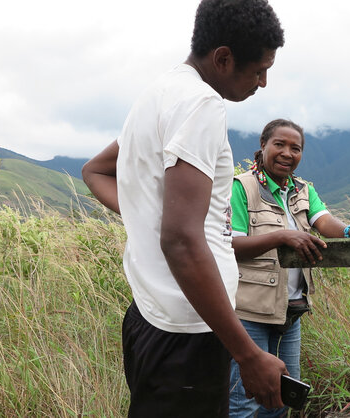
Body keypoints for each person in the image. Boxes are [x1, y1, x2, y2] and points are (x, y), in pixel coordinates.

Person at [81, 1, 288, 416]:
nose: (263, 82)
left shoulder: (158, 95)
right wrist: (249, 355)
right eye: (259, 69)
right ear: (223, 59)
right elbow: (180, 240)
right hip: (187, 334)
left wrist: (147, 214)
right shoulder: (200, 105)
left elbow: (95, 171)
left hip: (151, 317)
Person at [228, 119, 350, 417]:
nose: (287, 153)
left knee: (281, 397)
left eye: (296, 148)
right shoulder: (242, 188)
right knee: (244, 400)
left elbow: (324, 221)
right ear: (263, 145)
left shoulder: (303, 190)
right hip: (249, 312)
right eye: (279, 144)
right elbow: (233, 245)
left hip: (291, 311)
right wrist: (282, 236)